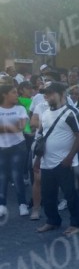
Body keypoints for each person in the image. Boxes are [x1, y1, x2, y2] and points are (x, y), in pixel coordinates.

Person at [34, 82, 79, 236]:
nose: (46, 96)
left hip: (64, 163)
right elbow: (42, 137)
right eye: (45, 93)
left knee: (70, 195)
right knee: (48, 195)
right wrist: (37, 159)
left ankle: (76, 224)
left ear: (62, 94)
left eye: (50, 93)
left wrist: (69, 158)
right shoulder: (46, 113)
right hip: (46, 163)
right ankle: (52, 221)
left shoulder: (71, 113)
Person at [0, 83, 29, 218]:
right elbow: (16, 126)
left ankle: (22, 204)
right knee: (3, 177)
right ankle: (2, 205)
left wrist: (4, 127)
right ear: (4, 95)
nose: (17, 95)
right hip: (2, 147)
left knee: (17, 175)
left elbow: (21, 127)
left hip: (18, 146)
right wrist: (12, 126)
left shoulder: (20, 108)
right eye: (13, 92)